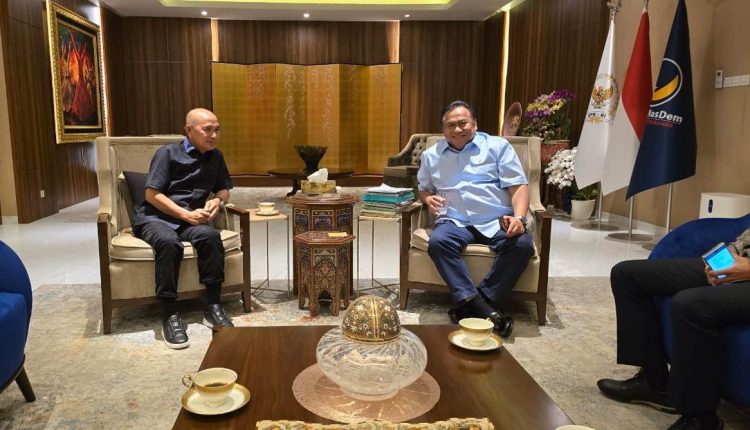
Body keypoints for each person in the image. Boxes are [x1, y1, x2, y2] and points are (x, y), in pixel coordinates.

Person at [597, 228, 750, 430]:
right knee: (626, 274)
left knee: (690, 304)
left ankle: (701, 419)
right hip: (740, 263)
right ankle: (654, 383)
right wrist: (728, 255)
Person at [416, 100, 534, 338]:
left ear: (475, 124)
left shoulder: (497, 146)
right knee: (438, 242)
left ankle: (473, 303)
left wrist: (519, 218)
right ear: (443, 129)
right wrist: (428, 199)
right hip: (454, 220)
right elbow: (423, 188)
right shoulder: (431, 156)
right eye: (450, 125)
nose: (457, 129)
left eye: (463, 123)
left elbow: (518, 186)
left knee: (521, 245)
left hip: (495, 219)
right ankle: (484, 308)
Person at [131, 108, 234, 349]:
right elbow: (152, 194)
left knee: (210, 237)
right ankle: (169, 313)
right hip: (156, 217)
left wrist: (217, 201)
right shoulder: (167, 153)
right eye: (207, 130)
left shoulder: (216, 156)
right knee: (169, 243)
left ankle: (213, 306)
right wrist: (185, 214)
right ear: (189, 130)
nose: (214, 135)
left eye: (217, 130)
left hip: (191, 220)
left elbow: (224, 188)